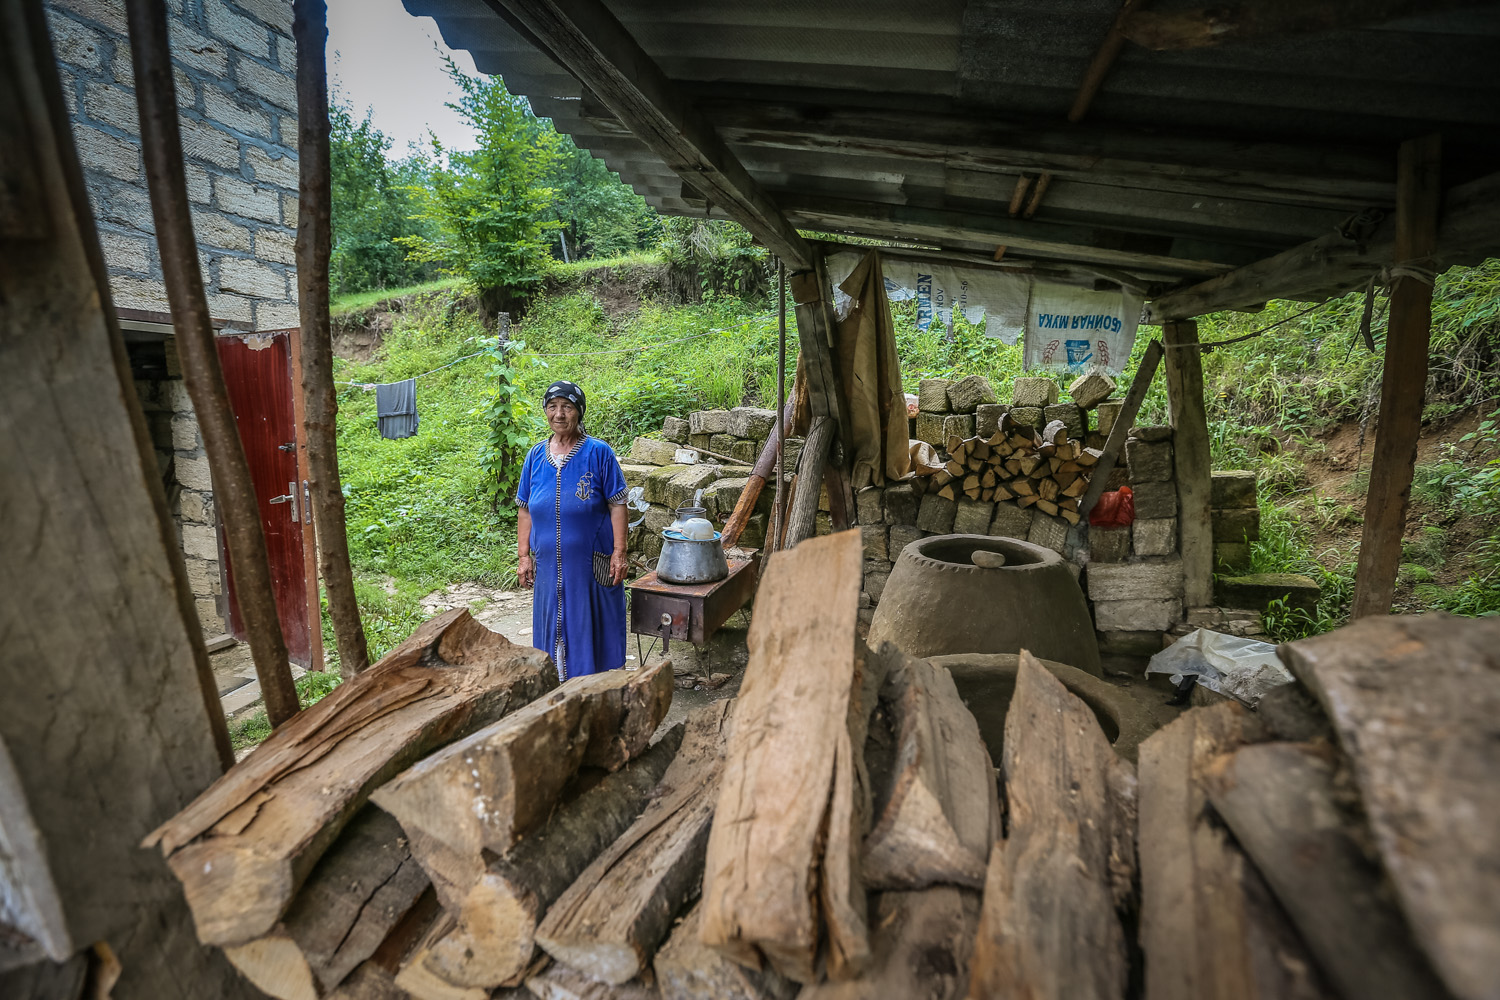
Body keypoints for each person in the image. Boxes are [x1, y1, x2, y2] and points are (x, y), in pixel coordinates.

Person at [515, 380, 630, 681]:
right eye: (552, 407)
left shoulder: (598, 453)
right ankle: (557, 691)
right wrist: (523, 556)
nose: (559, 414)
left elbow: (618, 503)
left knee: (593, 626)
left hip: (591, 565)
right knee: (551, 628)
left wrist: (620, 552)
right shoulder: (535, 456)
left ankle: (599, 691)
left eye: (567, 406)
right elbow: (525, 508)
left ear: (579, 412)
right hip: (549, 568)